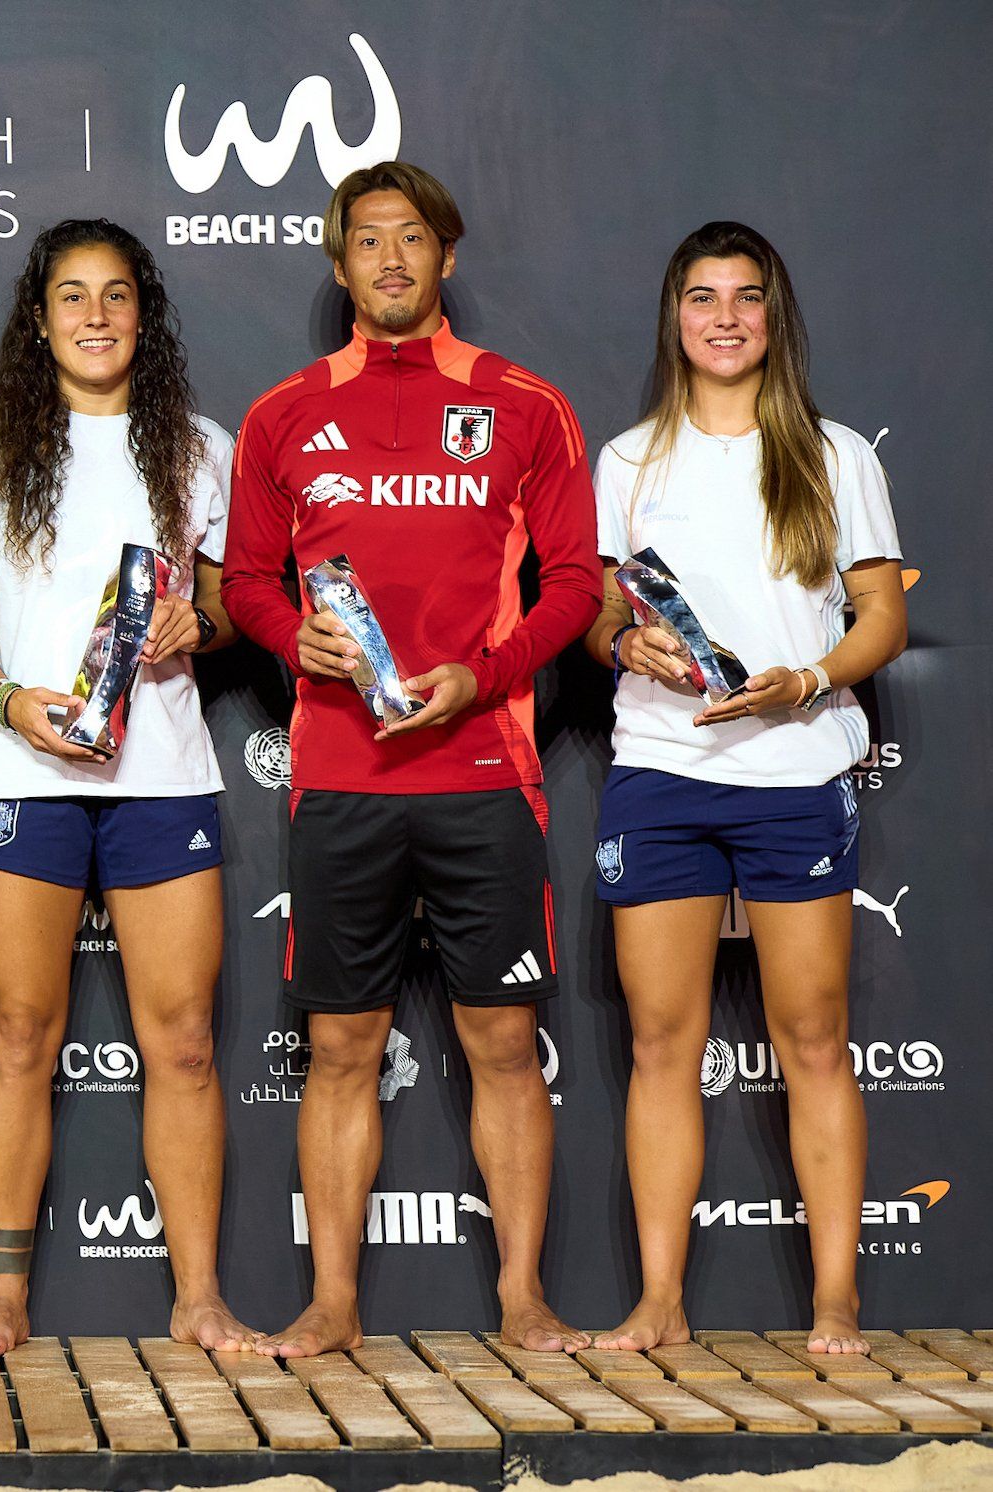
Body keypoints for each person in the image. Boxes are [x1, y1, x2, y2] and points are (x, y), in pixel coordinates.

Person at [222, 161, 600, 1357]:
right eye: (367, 241)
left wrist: (480, 676)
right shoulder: (282, 414)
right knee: (341, 1046)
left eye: (413, 239)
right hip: (340, 778)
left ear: (447, 255)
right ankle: (332, 1303)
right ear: (337, 266)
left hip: (484, 769)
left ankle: (523, 1296)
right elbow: (240, 583)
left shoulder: (523, 404)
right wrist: (301, 642)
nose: (390, 259)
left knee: (500, 1040)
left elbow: (578, 583)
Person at [0, 219, 253, 1356]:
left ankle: (199, 1296)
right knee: (18, 1034)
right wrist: (8, 696)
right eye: (73, 296)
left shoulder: (199, 447)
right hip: (22, 768)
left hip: (160, 774)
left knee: (187, 1043)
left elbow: (225, 605)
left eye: (117, 295)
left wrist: (191, 624)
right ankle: (2, 1301)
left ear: (143, 314)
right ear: (39, 316)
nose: (97, 316)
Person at [584, 223, 905, 1357]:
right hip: (661, 773)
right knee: (660, 1043)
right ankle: (659, 1302)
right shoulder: (625, 460)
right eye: (702, 296)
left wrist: (807, 679)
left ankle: (834, 1301)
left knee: (812, 1039)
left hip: (793, 772)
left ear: (775, 317)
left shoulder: (833, 454)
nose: (724, 317)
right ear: (673, 316)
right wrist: (631, 649)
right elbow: (598, 611)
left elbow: (884, 617)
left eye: (747, 297)